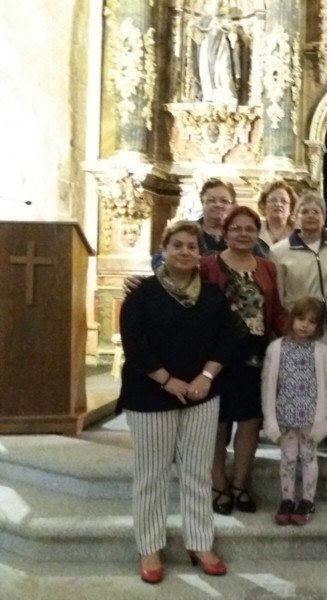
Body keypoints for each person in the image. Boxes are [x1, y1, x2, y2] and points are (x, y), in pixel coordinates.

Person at [118, 221, 235, 583]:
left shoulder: (213, 295)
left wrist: (206, 377)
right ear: (163, 250)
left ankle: (199, 542)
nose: (185, 251)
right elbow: (134, 344)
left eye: (191, 246)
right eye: (177, 245)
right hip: (150, 395)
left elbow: (227, 341)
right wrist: (168, 381)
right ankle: (150, 547)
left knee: (197, 473)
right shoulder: (142, 294)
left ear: (200, 254)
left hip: (201, 394)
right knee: (151, 475)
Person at [202, 206, 289, 516]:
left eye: (249, 228)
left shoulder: (267, 268)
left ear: (257, 234)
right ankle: (218, 483)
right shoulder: (207, 264)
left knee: (250, 419)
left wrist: (298, 334)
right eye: (236, 228)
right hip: (216, 354)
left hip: (254, 354)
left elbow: (275, 312)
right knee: (217, 420)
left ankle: (240, 483)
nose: (243, 233)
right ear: (225, 233)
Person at [269, 193, 327, 458]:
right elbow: (278, 295)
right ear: (296, 216)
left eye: (316, 211)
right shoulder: (280, 251)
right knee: (299, 383)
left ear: (324, 217)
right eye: (305, 211)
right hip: (298, 325)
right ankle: (297, 436)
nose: (311, 216)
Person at [262, 297, 327, 526]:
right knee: (288, 458)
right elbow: (268, 384)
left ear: (318, 326)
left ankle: (307, 501)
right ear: (292, 318)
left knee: (308, 457)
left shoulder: (321, 351)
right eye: (301, 319)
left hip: (310, 417)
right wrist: (269, 416)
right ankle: (287, 500)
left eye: (312, 322)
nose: (305, 325)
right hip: (285, 414)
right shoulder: (276, 348)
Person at [258, 181, 297, 248]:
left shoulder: (299, 235)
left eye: (284, 201)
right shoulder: (255, 230)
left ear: (291, 208)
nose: (278, 204)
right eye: (273, 200)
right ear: (264, 205)